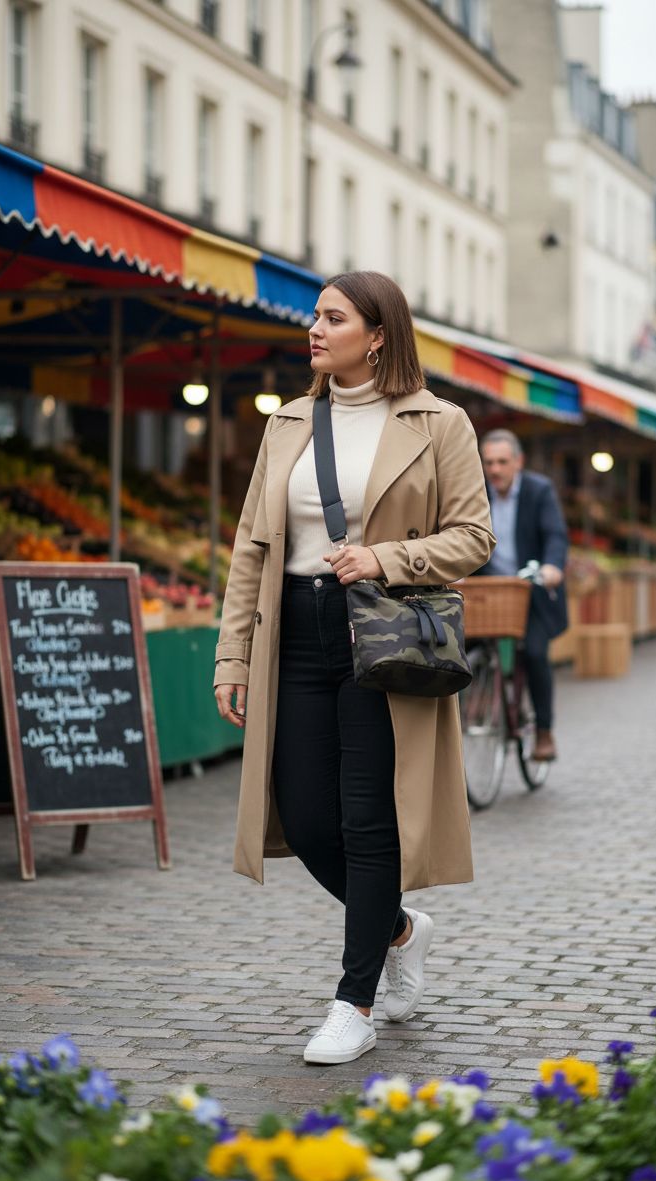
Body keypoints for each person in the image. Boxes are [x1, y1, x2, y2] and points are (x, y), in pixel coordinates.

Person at [213, 271, 495, 1065]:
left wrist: (386, 556)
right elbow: (251, 547)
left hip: (382, 633)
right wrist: (233, 653)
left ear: (377, 334)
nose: (314, 327)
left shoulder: (440, 423)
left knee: (368, 819)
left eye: (332, 317)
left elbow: (473, 538)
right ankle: (401, 928)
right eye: (314, 316)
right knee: (303, 818)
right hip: (295, 632)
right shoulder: (291, 422)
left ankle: (355, 1001)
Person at [479, 429, 568, 762]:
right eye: (489, 462)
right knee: (456, 648)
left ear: (518, 461)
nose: (496, 470)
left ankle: (544, 731)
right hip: (486, 591)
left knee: (533, 653)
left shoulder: (538, 490)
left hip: (530, 590)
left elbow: (555, 535)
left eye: (502, 462)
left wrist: (552, 568)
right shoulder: (476, 492)